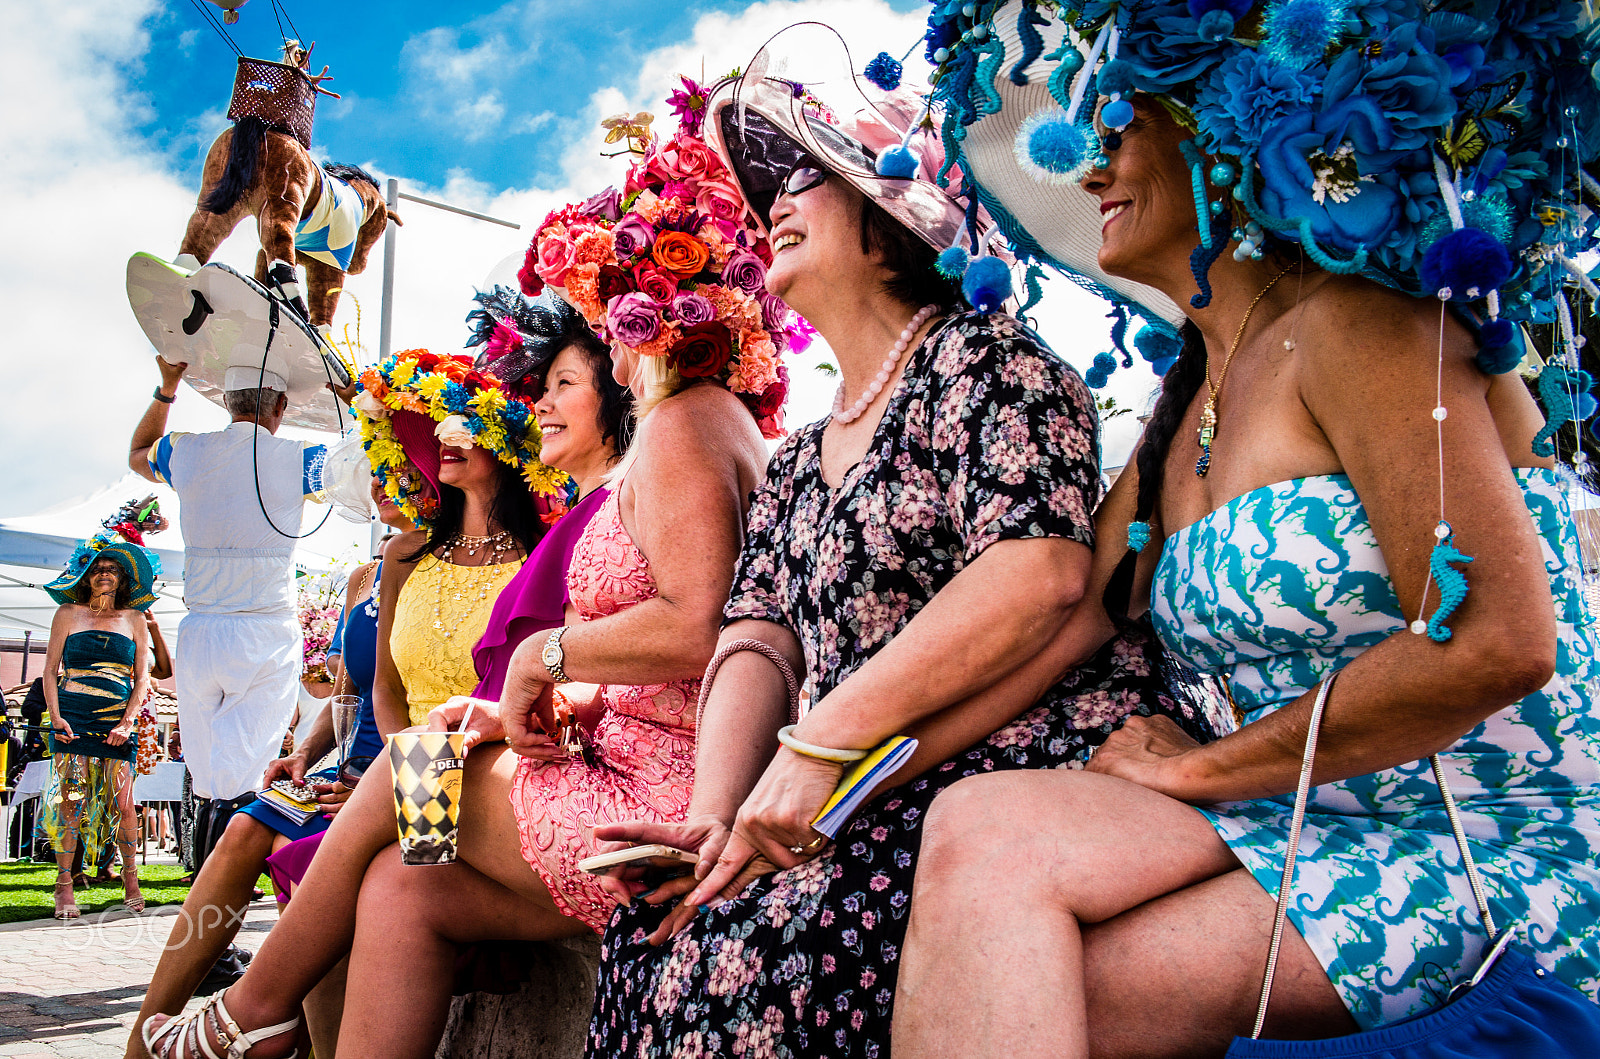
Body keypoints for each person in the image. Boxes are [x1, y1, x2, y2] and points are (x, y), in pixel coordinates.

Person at [891, 6, 1600, 1056]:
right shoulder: (1184, 404)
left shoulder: (1366, 323)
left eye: (1120, 126)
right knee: (974, 827)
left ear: (1220, 131)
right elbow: (1057, 626)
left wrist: (1196, 772)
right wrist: (826, 781)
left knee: (1066, 990)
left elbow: (1500, 640)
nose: (1088, 169)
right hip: (1309, 816)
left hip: (1504, 843)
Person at [584, 56, 1216, 1057]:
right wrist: (713, 815)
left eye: (801, 183)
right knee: (654, 928)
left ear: (888, 224)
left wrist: (817, 753)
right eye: (766, 196)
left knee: (760, 949)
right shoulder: (795, 461)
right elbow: (757, 641)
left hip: (1012, 753)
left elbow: (1040, 572)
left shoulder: (990, 362)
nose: (769, 212)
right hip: (855, 780)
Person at [140, 100, 775, 1053]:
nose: (554, 386)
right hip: (634, 768)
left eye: (568, 373)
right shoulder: (691, 429)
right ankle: (255, 1018)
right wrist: (561, 697)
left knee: (407, 767)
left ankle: (245, 1014)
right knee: (404, 883)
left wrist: (542, 664)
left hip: (660, 809)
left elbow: (698, 630)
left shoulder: (686, 423)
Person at [138, 343, 566, 1059]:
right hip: (400, 769)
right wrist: (363, 766)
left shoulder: (543, 553)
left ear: (506, 433)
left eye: (463, 423)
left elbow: (519, 693)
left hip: (475, 773)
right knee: (250, 825)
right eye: (437, 429)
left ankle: (262, 1019)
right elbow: (381, 689)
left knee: (307, 852)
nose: (443, 440)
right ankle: (146, 1037)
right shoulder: (402, 557)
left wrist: (398, 783)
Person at [124, 476, 414, 1059]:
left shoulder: (430, 563)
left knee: (292, 850)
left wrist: (383, 783)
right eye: (378, 469)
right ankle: (145, 1033)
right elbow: (349, 691)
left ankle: (275, 1027)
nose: (384, 483)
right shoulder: (366, 575)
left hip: (402, 777)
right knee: (244, 825)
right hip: (345, 772)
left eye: (402, 467)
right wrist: (306, 753)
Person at [129, 360, 336, 873]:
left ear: (226, 402)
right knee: (248, 772)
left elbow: (137, 454)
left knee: (207, 772)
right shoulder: (301, 456)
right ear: (282, 408)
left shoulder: (186, 450)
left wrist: (168, 387)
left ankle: (203, 888)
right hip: (263, 628)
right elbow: (362, 470)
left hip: (200, 628)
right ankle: (221, 907)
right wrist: (346, 401)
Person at [39, 538, 160, 919]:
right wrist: (56, 718)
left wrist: (128, 722)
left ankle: (131, 882)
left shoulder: (135, 619)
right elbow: (50, 671)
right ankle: (64, 888)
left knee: (124, 803)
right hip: (72, 717)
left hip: (116, 721)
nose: (104, 572)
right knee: (70, 802)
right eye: (97, 567)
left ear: (122, 578)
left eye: (112, 568)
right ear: (86, 575)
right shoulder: (67, 613)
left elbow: (142, 679)